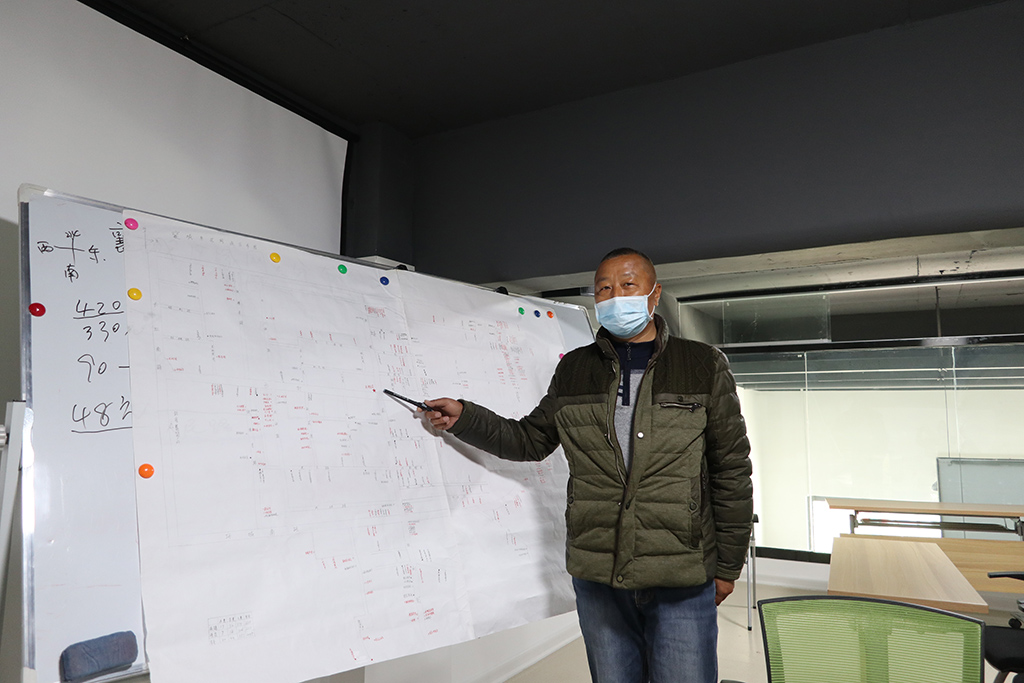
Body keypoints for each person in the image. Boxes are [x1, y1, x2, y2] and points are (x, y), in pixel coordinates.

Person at [422, 248, 753, 683]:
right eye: (604, 289)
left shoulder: (702, 364)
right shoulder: (575, 369)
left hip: (681, 574)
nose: (616, 297)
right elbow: (530, 439)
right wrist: (465, 417)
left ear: (654, 294)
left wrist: (728, 567)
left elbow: (731, 470)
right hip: (599, 577)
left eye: (628, 285)